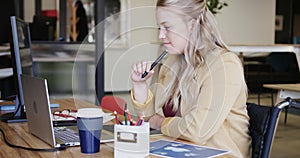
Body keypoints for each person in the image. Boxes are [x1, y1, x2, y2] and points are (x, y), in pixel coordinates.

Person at [130, 0, 251, 157]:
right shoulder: (172, 60)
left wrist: (160, 122)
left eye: (167, 27)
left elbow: (197, 131)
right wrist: (139, 85)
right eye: (159, 28)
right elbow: (147, 118)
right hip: (180, 149)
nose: (161, 35)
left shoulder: (224, 65)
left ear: (192, 26)